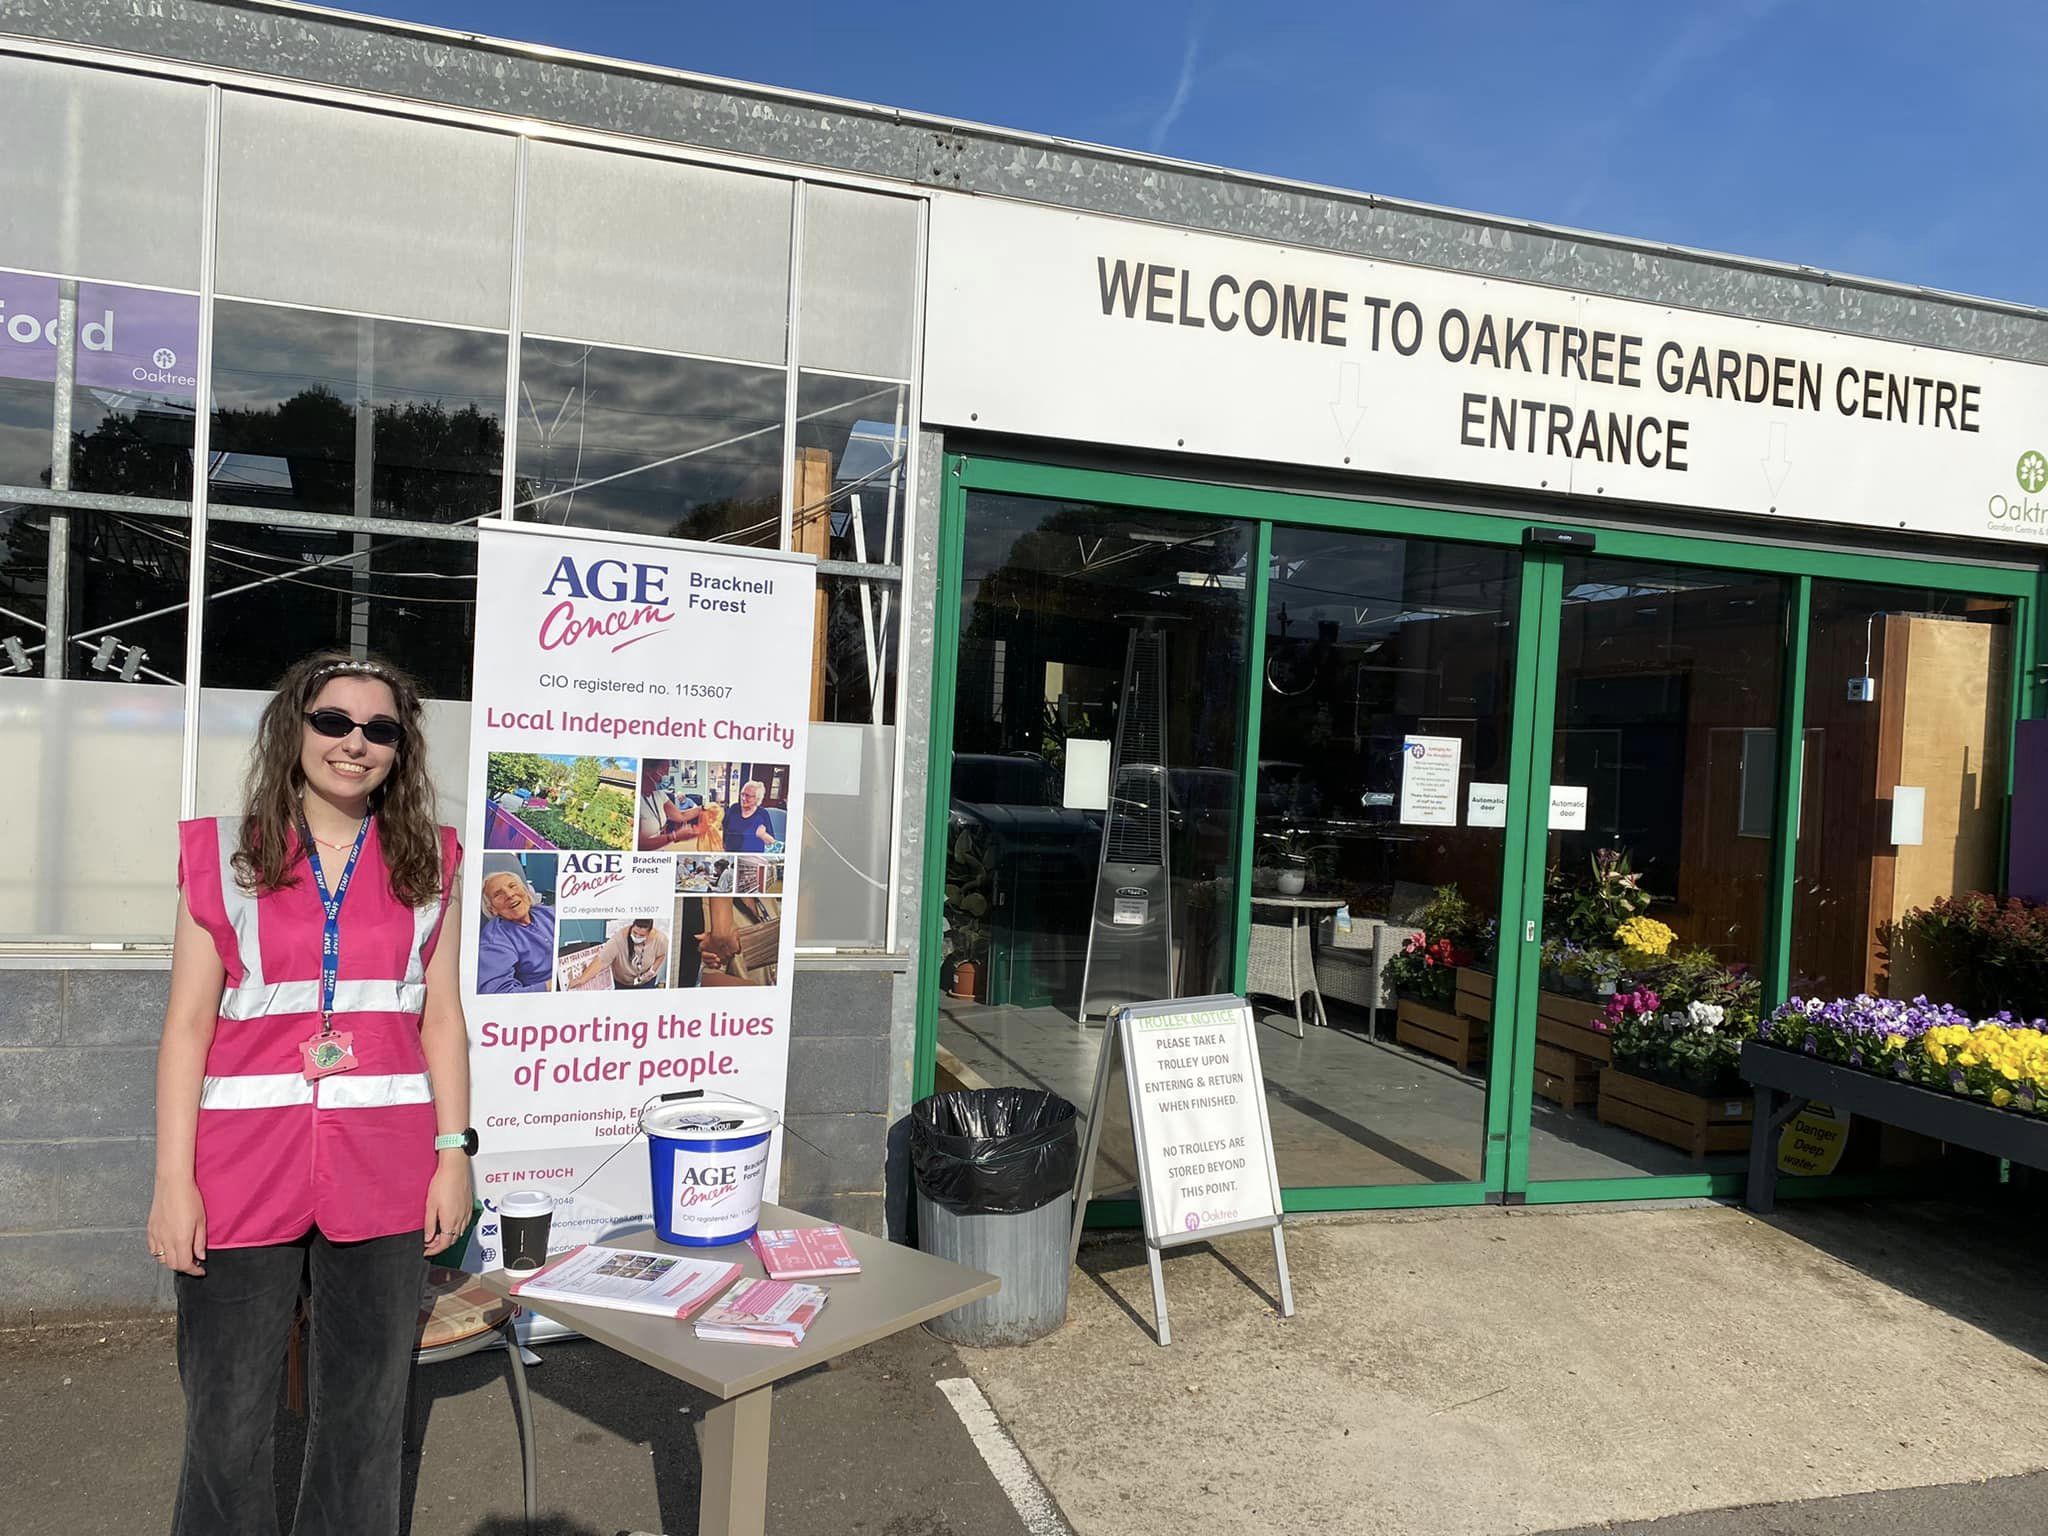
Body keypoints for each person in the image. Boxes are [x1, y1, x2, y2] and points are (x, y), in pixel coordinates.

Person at [148, 650, 474, 1536]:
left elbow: (441, 1017)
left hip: (386, 1168)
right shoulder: (224, 853)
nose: (354, 744)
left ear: (400, 749)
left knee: (366, 1417)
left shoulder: (430, 858)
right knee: (225, 1420)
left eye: (380, 730)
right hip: (239, 1172)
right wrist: (172, 1182)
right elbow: (187, 1027)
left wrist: (454, 1157)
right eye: (333, 721)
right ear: (295, 728)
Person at [477, 869, 557, 993]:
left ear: (526, 891)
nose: (509, 895)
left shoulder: (547, 912)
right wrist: (555, 985)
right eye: (498, 894)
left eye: (512, 886)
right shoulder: (494, 941)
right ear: (492, 909)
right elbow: (499, 994)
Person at [637, 759, 708, 851]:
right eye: (664, 770)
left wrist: (703, 808)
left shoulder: (659, 794)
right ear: (647, 771)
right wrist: (674, 836)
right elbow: (640, 844)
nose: (667, 774)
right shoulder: (637, 800)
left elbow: (681, 815)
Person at [599, 915, 668, 989]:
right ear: (632, 927)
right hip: (621, 982)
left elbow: (661, 955)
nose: (637, 936)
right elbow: (601, 961)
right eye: (635, 932)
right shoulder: (619, 937)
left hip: (646, 983)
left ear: (649, 933)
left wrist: (651, 971)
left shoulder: (660, 939)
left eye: (641, 935)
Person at [721, 777, 780, 853]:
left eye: (748, 796)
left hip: (753, 856)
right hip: (731, 853)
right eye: (742, 794)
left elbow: (771, 842)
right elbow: (723, 828)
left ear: (757, 798)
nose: (743, 798)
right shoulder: (734, 808)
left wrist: (763, 835)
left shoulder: (762, 814)